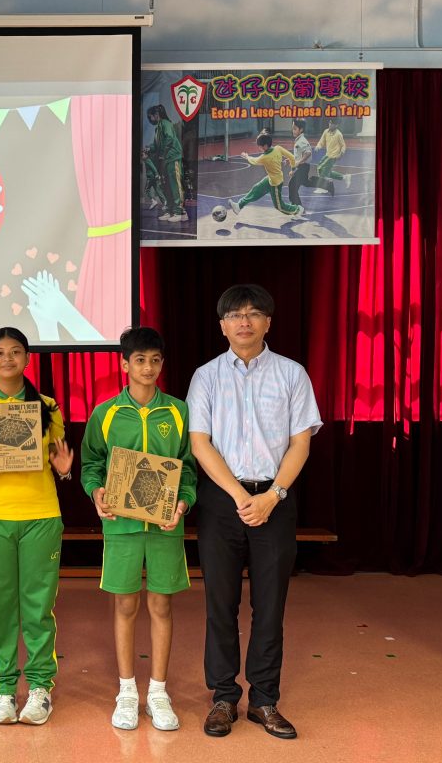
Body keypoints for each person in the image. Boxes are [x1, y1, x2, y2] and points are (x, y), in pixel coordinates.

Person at [186, 284, 322, 740]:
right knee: (219, 604)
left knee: (270, 605)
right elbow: (199, 442)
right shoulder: (206, 376)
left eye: (253, 313)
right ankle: (224, 697)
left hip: (275, 502)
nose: (244, 321)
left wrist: (272, 495)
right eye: (234, 315)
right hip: (222, 502)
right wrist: (238, 495)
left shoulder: (292, 374)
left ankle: (264, 700)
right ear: (222, 326)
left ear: (268, 322)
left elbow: (301, 442)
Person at [80, 326, 196, 733]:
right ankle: (127, 691)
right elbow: (92, 464)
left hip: (165, 526)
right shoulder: (105, 413)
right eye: (140, 360)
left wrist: (183, 502)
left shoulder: (178, 412)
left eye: (155, 360)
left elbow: (189, 468)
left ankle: (158, 692)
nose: (148, 368)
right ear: (124, 364)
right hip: (122, 528)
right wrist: (96, 492)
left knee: (161, 606)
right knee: (125, 606)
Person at [0, 327, 74, 726]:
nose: (7, 359)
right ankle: (4, 688)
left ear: (27, 358)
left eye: (15, 352)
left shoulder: (48, 406)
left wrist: (64, 469)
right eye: (0, 353)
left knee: (39, 606)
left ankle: (40, 687)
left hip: (41, 515)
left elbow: (59, 459)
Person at [229, 131, 303, 218]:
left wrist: (247, 156)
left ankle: (297, 209)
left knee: (279, 206)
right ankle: (239, 206)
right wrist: (293, 169)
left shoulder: (265, 157)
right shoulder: (278, 148)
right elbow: (292, 157)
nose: (259, 148)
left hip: (276, 183)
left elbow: (254, 161)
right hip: (271, 179)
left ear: (265, 146)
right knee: (256, 189)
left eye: (259, 146)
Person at [146, 104, 187, 223]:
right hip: (167, 159)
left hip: (173, 157)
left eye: (150, 116)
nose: (150, 119)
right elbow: (157, 145)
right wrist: (149, 148)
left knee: (175, 185)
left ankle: (180, 212)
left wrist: (162, 153)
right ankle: (171, 211)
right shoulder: (158, 128)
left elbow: (169, 138)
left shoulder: (165, 124)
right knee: (167, 186)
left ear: (156, 115)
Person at [313, 118, 352, 193]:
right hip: (327, 155)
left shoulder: (338, 134)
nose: (330, 125)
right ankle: (345, 177)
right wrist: (318, 146)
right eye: (329, 123)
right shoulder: (326, 131)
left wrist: (341, 154)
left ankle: (323, 188)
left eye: (332, 124)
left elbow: (343, 145)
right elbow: (322, 141)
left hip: (333, 156)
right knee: (328, 172)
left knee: (320, 168)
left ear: (336, 125)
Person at [286, 119, 315, 208]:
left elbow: (308, 153)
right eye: (292, 128)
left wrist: (299, 162)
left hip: (303, 167)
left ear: (301, 129)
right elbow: (299, 155)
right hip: (301, 166)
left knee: (292, 186)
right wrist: (291, 160)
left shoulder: (302, 140)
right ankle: (326, 183)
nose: (293, 131)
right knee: (305, 183)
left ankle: (298, 207)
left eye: (295, 129)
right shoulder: (298, 140)